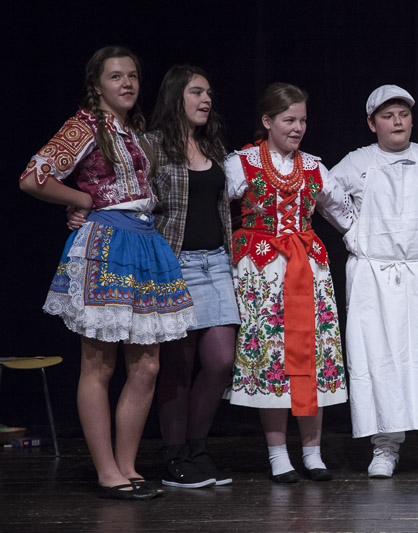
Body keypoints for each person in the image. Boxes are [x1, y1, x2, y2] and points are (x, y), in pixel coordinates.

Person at [19, 46, 195, 500]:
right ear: (96, 84)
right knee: (99, 363)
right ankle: (106, 471)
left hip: (145, 241)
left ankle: (128, 465)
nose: (127, 83)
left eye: (132, 75)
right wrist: (80, 201)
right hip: (108, 243)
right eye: (116, 76)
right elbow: (33, 177)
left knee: (148, 365)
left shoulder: (133, 131)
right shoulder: (84, 126)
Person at [328, 84, 418, 478]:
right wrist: (354, 230)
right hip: (373, 275)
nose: (397, 122)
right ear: (372, 123)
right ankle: (385, 447)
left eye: (403, 115)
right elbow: (323, 196)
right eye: (388, 116)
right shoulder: (357, 162)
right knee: (379, 359)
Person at [224, 83, 350, 483]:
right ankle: (278, 454)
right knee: (273, 358)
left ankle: (313, 452)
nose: (298, 128)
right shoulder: (241, 163)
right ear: (267, 121)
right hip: (261, 273)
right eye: (289, 120)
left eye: (303, 120)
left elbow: (346, 217)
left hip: (307, 270)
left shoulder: (313, 167)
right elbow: (211, 207)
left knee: (313, 354)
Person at [147, 65, 240, 488]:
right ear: (175, 97)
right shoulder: (151, 146)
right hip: (174, 264)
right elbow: (125, 195)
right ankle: (175, 456)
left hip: (216, 263)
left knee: (220, 362)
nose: (206, 100)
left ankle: (197, 449)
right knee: (178, 366)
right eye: (197, 92)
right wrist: (79, 208)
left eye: (208, 93)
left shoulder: (212, 146)